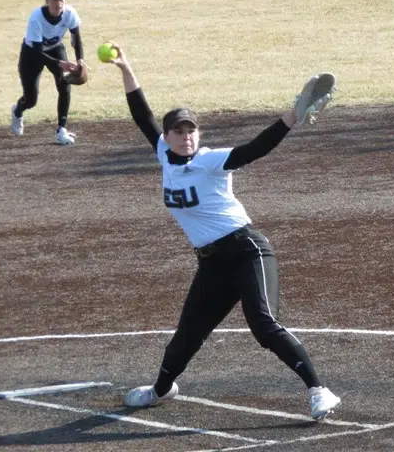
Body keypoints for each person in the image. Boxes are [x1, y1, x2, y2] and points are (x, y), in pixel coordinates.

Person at [109, 44, 341, 420]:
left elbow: (255, 149)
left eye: (191, 130)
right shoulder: (163, 154)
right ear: (167, 137)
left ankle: (319, 390)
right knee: (187, 336)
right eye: (179, 131)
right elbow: (142, 113)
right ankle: (161, 389)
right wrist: (126, 68)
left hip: (247, 251)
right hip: (212, 265)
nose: (186, 136)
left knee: (264, 325)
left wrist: (291, 117)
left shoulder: (210, 161)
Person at [10, 0, 83, 145]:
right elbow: (37, 52)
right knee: (31, 99)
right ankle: (17, 111)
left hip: (56, 48)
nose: (59, 3)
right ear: (47, 1)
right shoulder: (36, 17)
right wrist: (59, 63)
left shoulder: (69, 13)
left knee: (64, 83)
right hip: (32, 53)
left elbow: (76, 37)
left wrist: (80, 60)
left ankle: (61, 129)